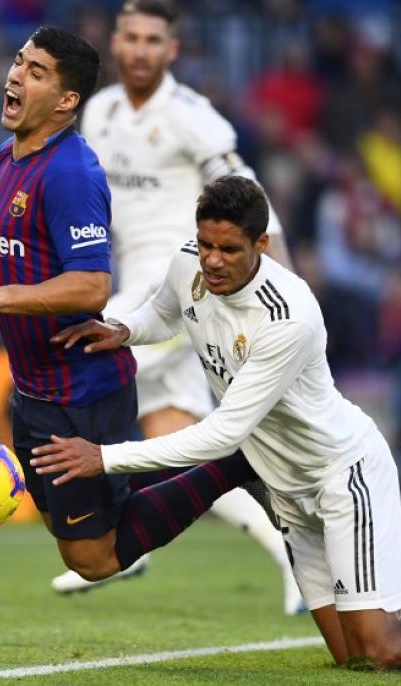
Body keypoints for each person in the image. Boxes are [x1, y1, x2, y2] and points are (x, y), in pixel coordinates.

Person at [30, 176, 401, 669]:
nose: (212, 261)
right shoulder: (188, 262)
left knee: (385, 649)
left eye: (229, 250)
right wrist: (124, 330)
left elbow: (223, 435)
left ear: (261, 245)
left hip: (341, 475)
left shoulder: (288, 315)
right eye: (206, 244)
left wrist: (104, 457)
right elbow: (165, 313)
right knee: (355, 657)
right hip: (288, 492)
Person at [0, 26, 262, 591]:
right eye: (18, 62)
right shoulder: (5, 158)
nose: (15, 75)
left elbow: (91, 286)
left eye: (36, 72)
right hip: (36, 391)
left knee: (94, 560)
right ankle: (192, 465)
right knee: (81, 537)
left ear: (66, 100)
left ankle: (234, 465)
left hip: (82, 393)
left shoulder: (71, 174)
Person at [52, 0, 302, 613]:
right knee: (180, 444)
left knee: (81, 369)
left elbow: (250, 198)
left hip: (180, 288)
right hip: (140, 286)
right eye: (131, 37)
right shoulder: (100, 112)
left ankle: (107, 539)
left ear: (172, 50)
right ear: (115, 43)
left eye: (153, 40)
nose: (140, 50)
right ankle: (288, 553)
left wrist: (288, 282)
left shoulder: (194, 118)